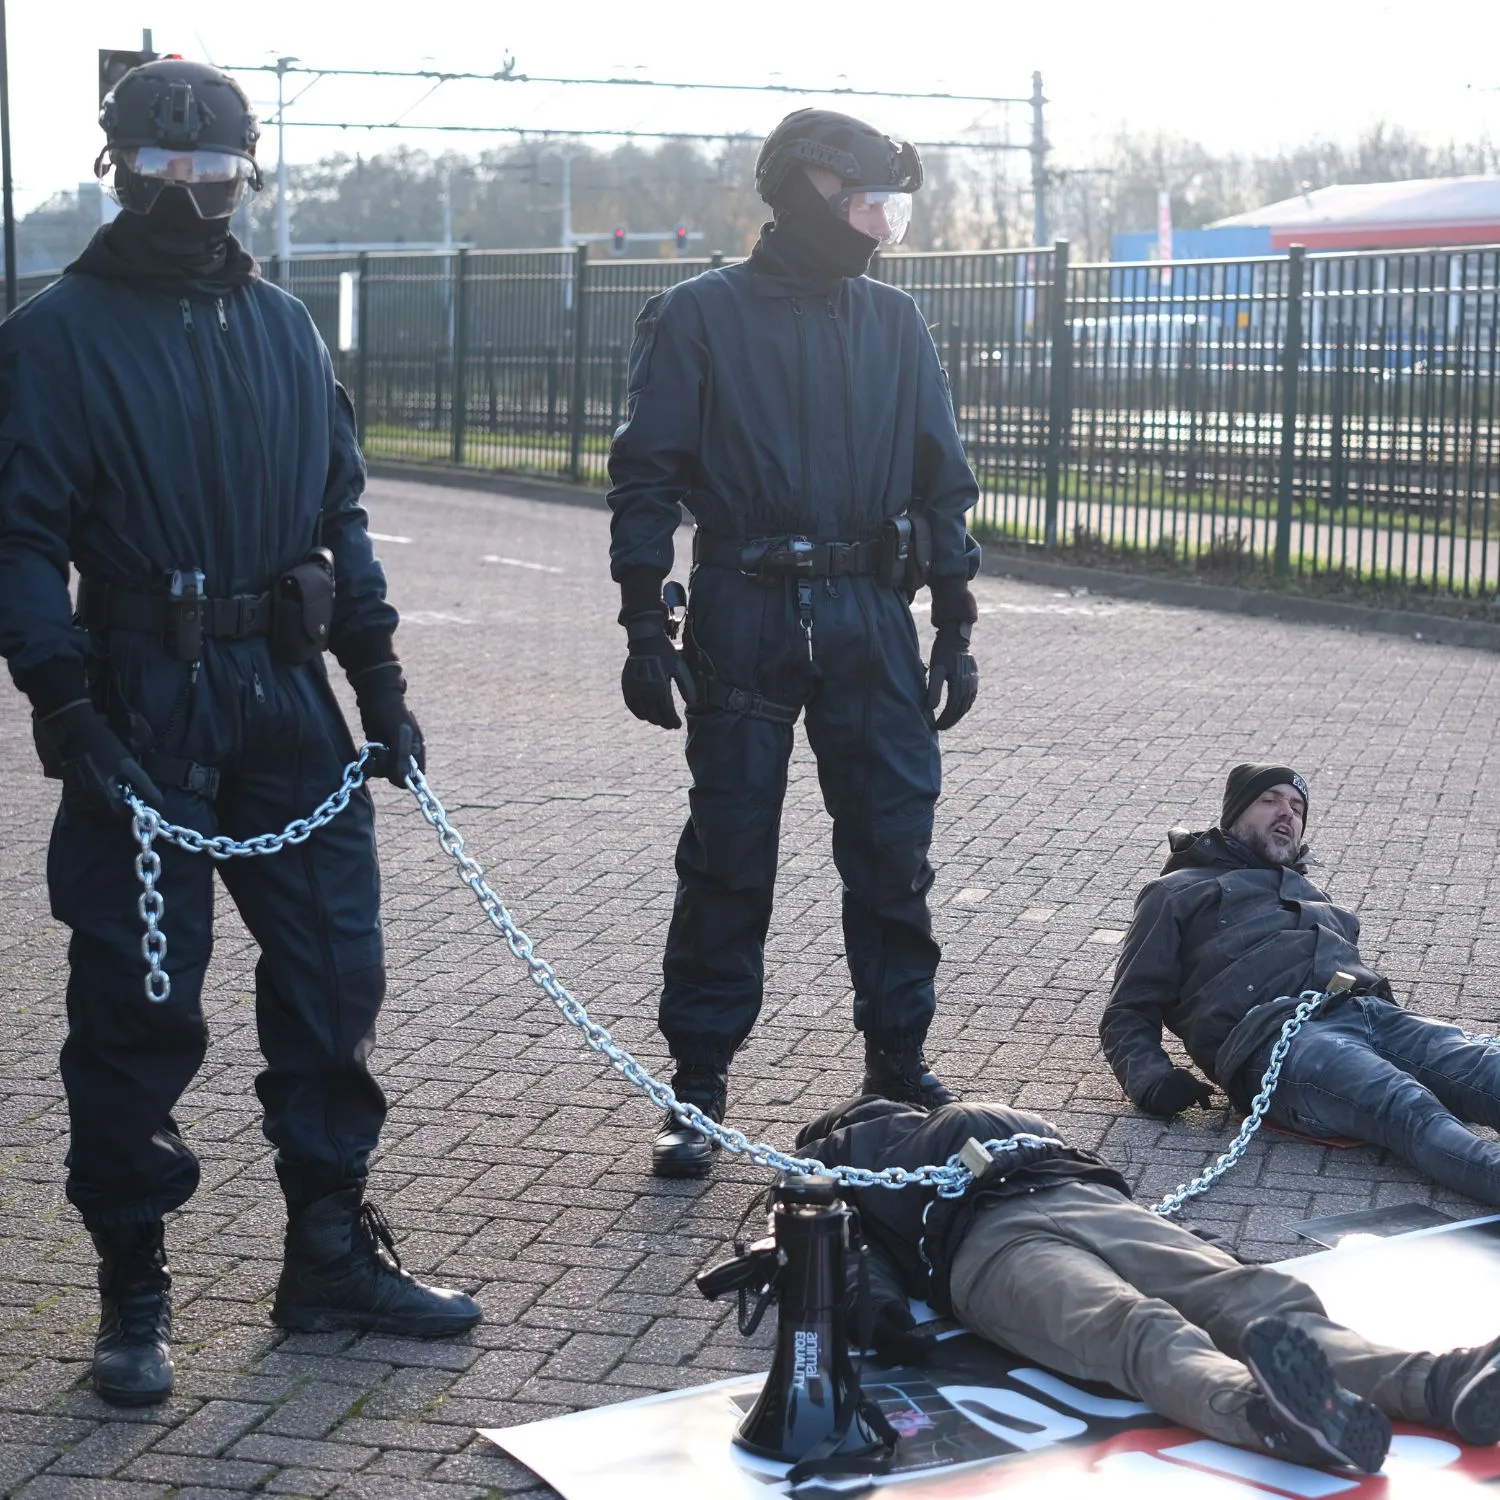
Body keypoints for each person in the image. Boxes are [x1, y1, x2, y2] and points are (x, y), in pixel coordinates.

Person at [0, 59, 480, 1407]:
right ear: (120, 170)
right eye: (164, 172)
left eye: (215, 174)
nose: (192, 196)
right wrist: (65, 700)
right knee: (136, 1012)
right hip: (140, 699)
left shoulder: (285, 330)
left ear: (245, 175)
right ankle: (131, 1293)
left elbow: (343, 516)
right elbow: (22, 539)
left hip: (289, 703)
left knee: (337, 986)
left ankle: (327, 1258)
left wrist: (376, 677)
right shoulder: (54, 338)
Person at [607, 107, 983, 1178]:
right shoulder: (697, 317)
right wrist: (643, 617)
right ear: (804, 194)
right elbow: (646, 477)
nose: (875, 225)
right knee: (729, 859)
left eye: (887, 208)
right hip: (746, 605)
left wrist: (953, 622)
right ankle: (699, 1085)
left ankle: (897, 1064)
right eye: (863, 202)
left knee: (892, 852)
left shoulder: (897, 323)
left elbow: (941, 480)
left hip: (870, 611)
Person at [795, 1093, 1500, 1472]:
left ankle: (1436, 1383)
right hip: (984, 1245)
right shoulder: (839, 1159)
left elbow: (1095, 1168)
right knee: (1128, 1328)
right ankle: (1266, 1413)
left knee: (1248, 1300)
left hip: (1083, 1200)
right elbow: (837, 1249)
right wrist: (882, 1315)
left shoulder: (966, 1114)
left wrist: (1201, 1247)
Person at [1100, 762, 1500, 1205]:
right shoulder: (1176, 892)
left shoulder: (1310, 893)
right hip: (1277, 1039)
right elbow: (1127, 1010)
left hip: (1369, 1013)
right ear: (1232, 817)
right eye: (1269, 801)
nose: (1286, 813)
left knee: (1485, 1068)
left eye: (1296, 806)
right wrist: (1151, 1080)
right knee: (1408, 1105)